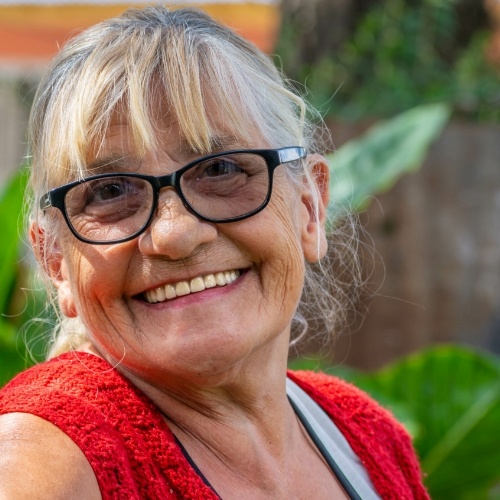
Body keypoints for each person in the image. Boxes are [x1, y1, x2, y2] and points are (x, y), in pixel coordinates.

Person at [0, 6, 428, 499]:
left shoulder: (367, 438)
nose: (175, 234)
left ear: (309, 207)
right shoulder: (44, 463)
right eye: (111, 191)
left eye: (221, 169)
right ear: (55, 263)